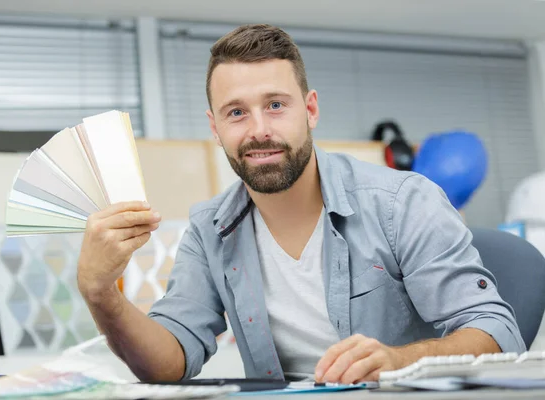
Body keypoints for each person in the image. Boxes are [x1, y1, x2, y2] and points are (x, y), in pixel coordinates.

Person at [77, 24, 525, 384]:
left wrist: (398, 361)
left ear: (310, 110)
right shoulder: (208, 229)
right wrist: (101, 295)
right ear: (214, 127)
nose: (258, 129)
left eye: (275, 105)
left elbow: (499, 334)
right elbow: (170, 360)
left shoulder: (403, 202)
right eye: (236, 112)